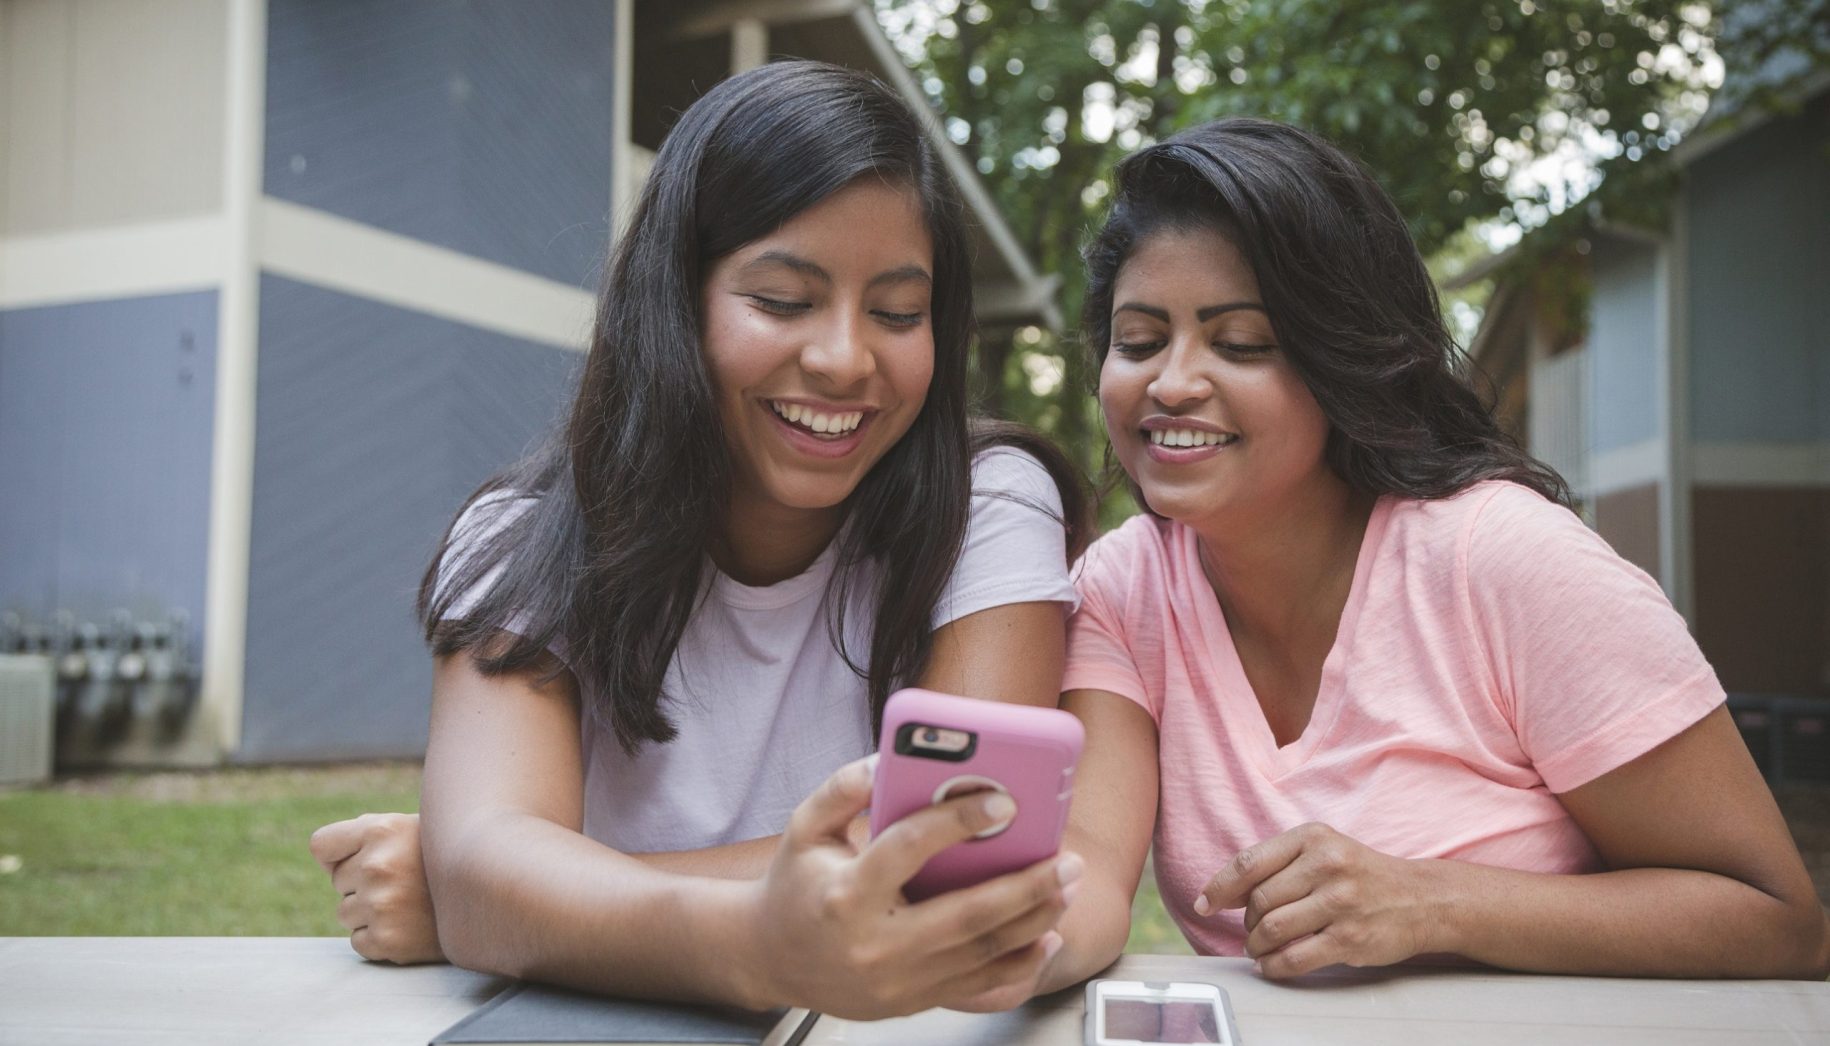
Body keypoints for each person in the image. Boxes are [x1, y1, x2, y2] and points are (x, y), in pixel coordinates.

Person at [308, 61, 1094, 1018]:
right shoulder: (519, 542)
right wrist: (499, 894)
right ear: (676, 300)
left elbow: (960, 857)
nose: (847, 359)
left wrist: (543, 902)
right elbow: (487, 878)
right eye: (783, 300)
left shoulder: (989, 506)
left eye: (897, 313)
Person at [1025, 117, 1828, 991]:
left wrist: (1433, 903)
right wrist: (980, 934)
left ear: (1345, 360)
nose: (1171, 382)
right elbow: (1091, 878)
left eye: (1242, 343)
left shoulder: (1503, 559)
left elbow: (1780, 922)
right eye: (1138, 341)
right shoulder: (1121, 587)